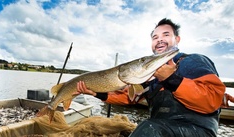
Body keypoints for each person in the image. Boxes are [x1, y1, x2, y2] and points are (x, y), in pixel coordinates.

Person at [75, 18, 226, 137]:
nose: (159, 39)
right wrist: (97, 93)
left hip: (197, 131)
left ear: (177, 39)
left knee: (149, 127)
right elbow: (129, 98)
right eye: (155, 37)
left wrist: (171, 80)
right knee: (149, 126)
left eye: (166, 35)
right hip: (160, 128)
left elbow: (213, 100)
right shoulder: (149, 74)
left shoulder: (193, 61)